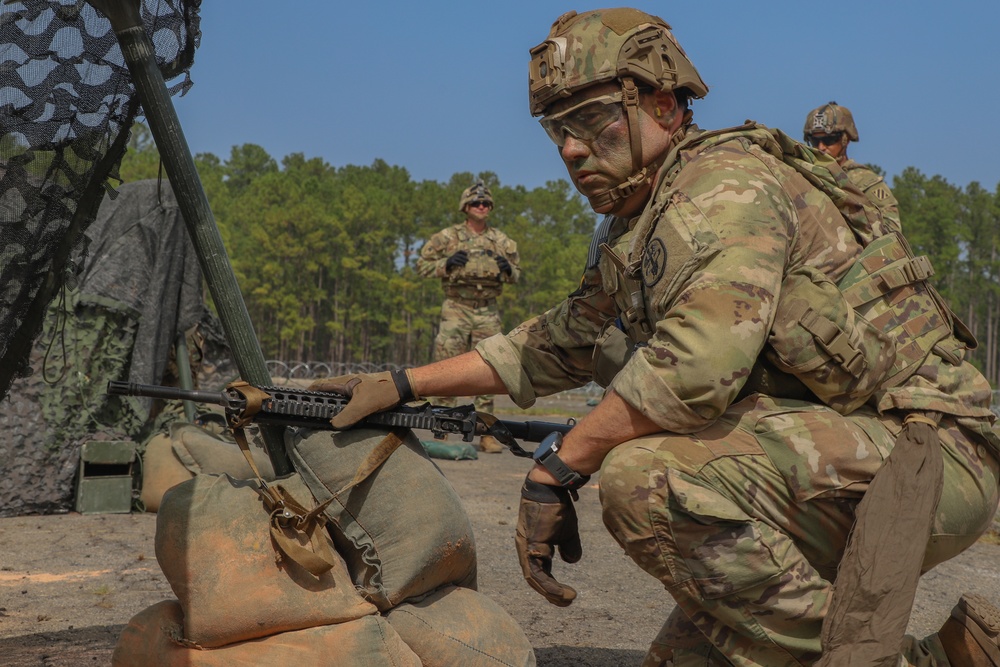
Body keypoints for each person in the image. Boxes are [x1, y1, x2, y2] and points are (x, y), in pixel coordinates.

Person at [314, 8, 1000, 666]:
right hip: (835, 453)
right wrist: (400, 385)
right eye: (558, 131)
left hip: (925, 455)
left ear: (664, 106)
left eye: (592, 121)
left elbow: (696, 364)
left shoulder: (723, 187)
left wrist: (562, 464)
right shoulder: (637, 221)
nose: (573, 149)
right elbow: (559, 342)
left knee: (645, 478)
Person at [414, 180, 520, 453]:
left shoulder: (501, 241)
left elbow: (516, 275)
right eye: (476, 203)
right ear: (465, 207)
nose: (482, 206)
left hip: (487, 308)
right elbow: (421, 266)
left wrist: (507, 268)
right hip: (456, 308)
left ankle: (485, 433)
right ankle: (441, 430)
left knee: (491, 368)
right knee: (446, 368)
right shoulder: (447, 238)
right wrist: (445, 264)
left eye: (486, 203)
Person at [804, 101, 901, 230]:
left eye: (829, 140)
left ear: (846, 139)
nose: (821, 147)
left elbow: (892, 229)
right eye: (815, 141)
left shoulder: (865, 182)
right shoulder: (804, 177)